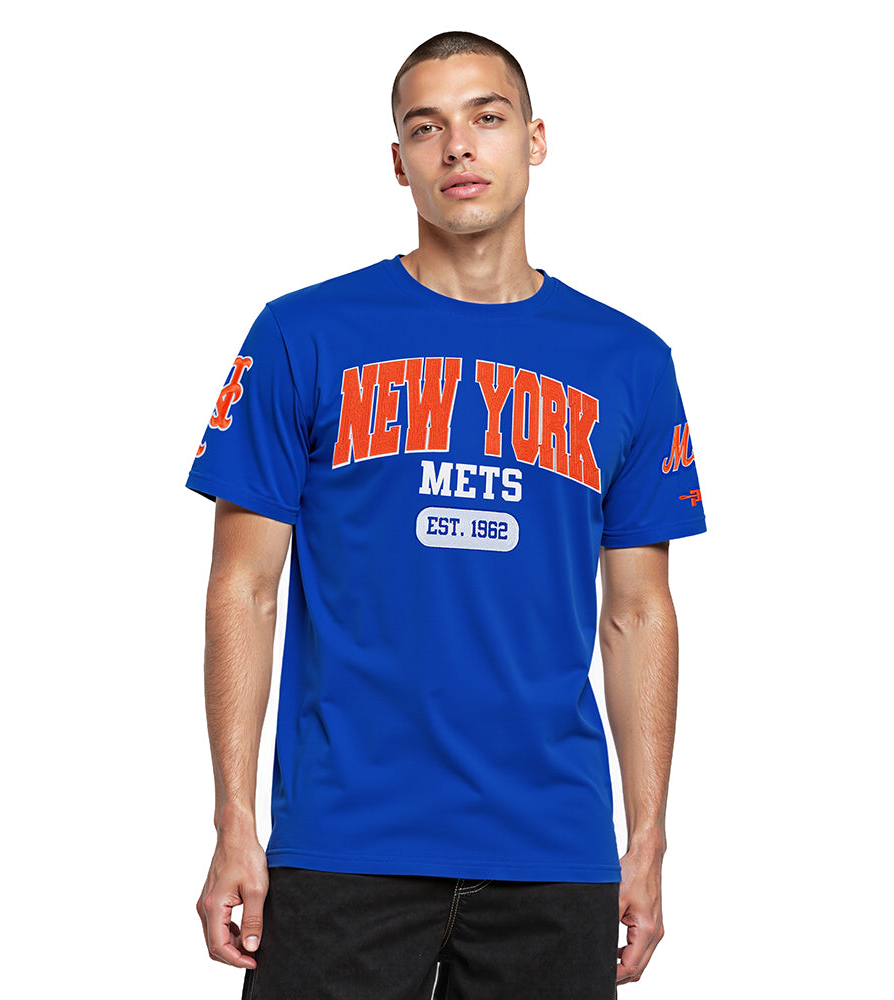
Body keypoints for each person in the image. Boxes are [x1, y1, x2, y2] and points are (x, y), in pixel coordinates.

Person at [188, 30, 705, 1000]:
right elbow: (244, 587)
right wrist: (232, 821)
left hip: (552, 849)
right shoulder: (303, 334)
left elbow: (639, 612)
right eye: (426, 127)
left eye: (487, 117)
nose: (458, 146)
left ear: (535, 139)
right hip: (342, 842)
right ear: (399, 161)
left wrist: (647, 840)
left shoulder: (628, 362)